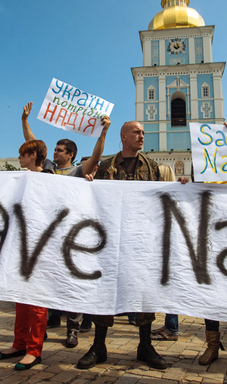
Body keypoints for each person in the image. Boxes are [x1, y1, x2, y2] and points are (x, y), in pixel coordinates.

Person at [76, 120, 167, 370]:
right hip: (111, 241)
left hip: (140, 241)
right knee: (105, 290)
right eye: (137, 132)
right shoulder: (106, 167)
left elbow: (163, 200)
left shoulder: (153, 168)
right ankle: (98, 346)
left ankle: (145, 346)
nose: (142, 136)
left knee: (143, 292)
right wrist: (88, 186)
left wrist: (179, 186)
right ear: (123, 136)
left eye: (143, 133)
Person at [21, 101, 111, 348]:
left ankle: (73, 329)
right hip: (48, 235)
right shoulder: (47, 169)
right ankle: (47, 324)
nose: (56, 152)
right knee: (47, 279)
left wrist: (103, 132)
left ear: (70, 154)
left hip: (72, 236)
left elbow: (96, 157)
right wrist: (25, 121)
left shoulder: (79, 172)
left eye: (60, 149)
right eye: (56, 149)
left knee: (71, 282)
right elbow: (34, 145)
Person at [0, 139, 51, 371]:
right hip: (19, 245)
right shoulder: (18, 179)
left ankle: (34, 350)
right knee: (20, 298)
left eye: (23, 154)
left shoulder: (49, 180)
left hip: (40, 247)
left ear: (34, 154)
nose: (19, 157)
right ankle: (19, 343)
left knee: (37, 299)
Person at [150, 165, 180, 342]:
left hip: (169, 251)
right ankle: (170, 324)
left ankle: (172, 328)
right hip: (162, 249)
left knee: (170, 289)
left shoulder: (172, 196)